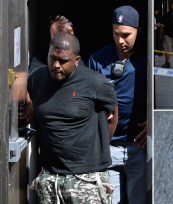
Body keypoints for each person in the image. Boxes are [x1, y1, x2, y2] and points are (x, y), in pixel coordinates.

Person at [25, 32, 118, 203]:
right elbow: (32, 104)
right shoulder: (37, 80)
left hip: (86, 178)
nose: (56, 65)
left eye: (63, 61)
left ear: (76, 60)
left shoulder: (96, 83)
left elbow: (112, 115)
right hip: (50, 178)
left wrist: (102, 142)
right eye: (52, 58)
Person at [87, 5, 147, 204]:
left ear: (138, 30)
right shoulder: (97, 60)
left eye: (126, 35)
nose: (121, 41)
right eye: (116, 34)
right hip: (109, 147)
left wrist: (153, 123)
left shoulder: (148, 60)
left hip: (139, 146)